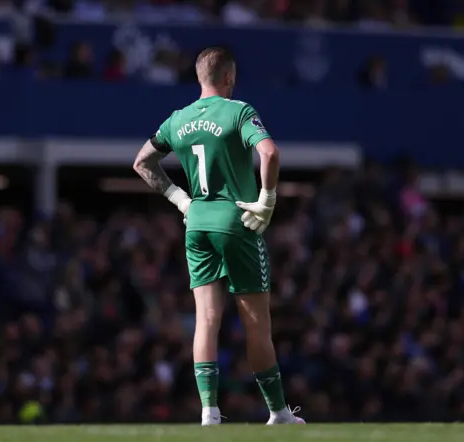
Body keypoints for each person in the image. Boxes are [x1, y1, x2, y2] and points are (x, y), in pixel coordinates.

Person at [132, 46, 305, 426]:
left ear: (199, 77)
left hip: (197, 223)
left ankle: (209, 411)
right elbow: (270, 154)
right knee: (256, 323)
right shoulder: (239, 111)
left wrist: (180, 199)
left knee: (206, 319)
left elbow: (142, 162)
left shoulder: (177, 120)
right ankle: (277, 412)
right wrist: (268, 199)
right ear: (228, 77)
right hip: (236, 221)